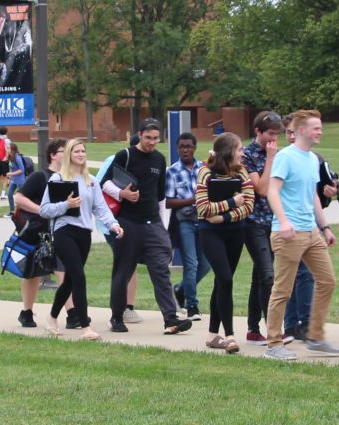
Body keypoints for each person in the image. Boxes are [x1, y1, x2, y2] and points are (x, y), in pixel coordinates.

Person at [263, 110, 339, 361]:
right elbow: (272, 191)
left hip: (311, 232)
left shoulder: (311, 159)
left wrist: (325, 227)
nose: (320, 132)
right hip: (288, 233)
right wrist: (284, 221)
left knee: (328, 280)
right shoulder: (286, 157)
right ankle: (274, 344)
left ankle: (315, 337)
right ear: (300, 131)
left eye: (320, 127)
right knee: (283, 290)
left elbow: (314, 196)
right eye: (315, 128)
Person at [101, 118, 192, 335]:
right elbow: (103, 182)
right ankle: (117, 316)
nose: (152, 142)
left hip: (153, 224)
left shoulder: (159, 159)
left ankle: (170, 319)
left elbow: (161, 197)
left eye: (156, 138)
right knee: (123, 271)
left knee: (161, 270)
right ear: (140, 135)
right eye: (148, 138)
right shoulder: (125, 155)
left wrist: (163, 226)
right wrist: (121, 193)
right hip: (128, 222)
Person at [40, 138, 124, 340]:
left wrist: (113, 225)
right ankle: (85, 326)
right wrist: (66, 205)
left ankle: (52, 319)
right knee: (79, 277)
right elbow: (44, 210)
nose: (80, 154)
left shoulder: (91, 180)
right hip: (64, 231)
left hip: (83, 234)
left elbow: (100, 207)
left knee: (70, 280)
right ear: (69, 155)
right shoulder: (58, 179)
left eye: (83, 151)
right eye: (76, 151)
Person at [195, 132, 255, 353]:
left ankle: (212, 335)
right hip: (210, 233)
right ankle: (229, 336)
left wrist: (223, 216)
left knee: (222, 281)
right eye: (239, 149)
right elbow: (202, 209)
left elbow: (249, 205)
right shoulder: (205, 173)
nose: (242, 153)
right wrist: (231, 201)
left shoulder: (242, 172)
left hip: (235, 231)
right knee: (226, 279)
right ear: (229, 151)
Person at [12, 138, 72, 327]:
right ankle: (26, 312)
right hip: (39, 232)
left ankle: (73, 313)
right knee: (33, 275)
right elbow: (18, 198)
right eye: (64, 151)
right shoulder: (40, 176)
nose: (69, 154)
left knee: (64, 271)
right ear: (53, 155)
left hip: (61, 232)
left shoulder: (70, 177)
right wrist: (41, 210)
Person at [241, 111, 284, 345]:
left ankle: (252, 329)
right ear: (257, 131)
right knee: (268, 276)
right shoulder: (247, 155)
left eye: (277, 135)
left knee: (260, 276)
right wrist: (269, 159)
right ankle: (273, 331)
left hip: (274, 221)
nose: (273, 140)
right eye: (269, 134)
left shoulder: (280, 154)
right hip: (253, 222)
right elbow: (262, 188)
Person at [96, 142, 143, 325]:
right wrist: (121, 194)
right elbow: (99, 185)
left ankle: (127, 307)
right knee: (125, 263)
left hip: (129, 221)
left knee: (131, 262)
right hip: (112, 220)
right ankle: (120, 310)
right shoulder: (115, 159)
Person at [166, 132, 211, 321]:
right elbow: (168, 201)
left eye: (189, 146)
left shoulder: (204, 168)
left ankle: (181, 288)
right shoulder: (172, 171)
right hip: (185, 222)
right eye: (182, 146)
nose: (185, 150)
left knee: (206, 265)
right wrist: (191, 200)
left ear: (194, 147)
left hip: (204, 221)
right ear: (177, 148)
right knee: (190, 264)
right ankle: (192, 305)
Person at [4, 142, 27, 217]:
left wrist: (11, 174)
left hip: (20, 180)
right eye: (6, 148)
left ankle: (22, 212)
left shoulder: (17, 157)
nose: (6, 149)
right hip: (14, 180)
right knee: (9, 194)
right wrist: (9, 179)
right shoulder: (10, 157)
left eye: (8, 148)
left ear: (12, 149)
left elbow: (21, 170)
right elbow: (11, 169)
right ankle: (12, 211)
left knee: (21, 197)